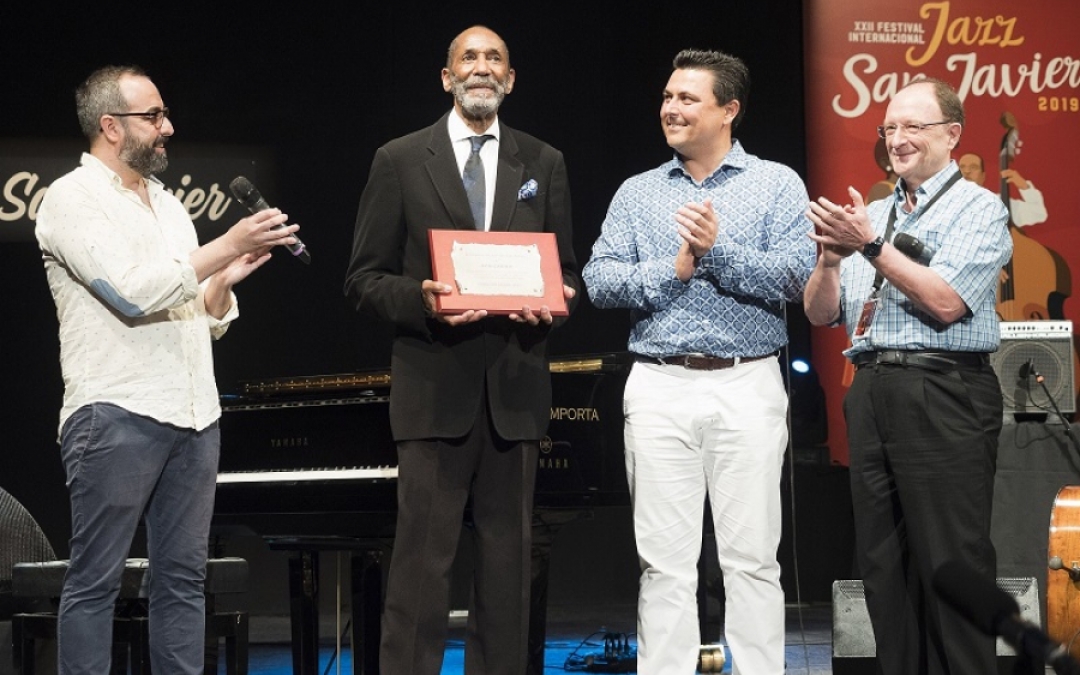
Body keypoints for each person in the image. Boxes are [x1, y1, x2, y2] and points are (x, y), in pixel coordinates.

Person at [34, 65, 300, 675]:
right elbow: (129, 294)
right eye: (153, 116)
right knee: (95, 580)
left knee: (182, 579)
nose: (167, 127)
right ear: (110, 126)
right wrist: (225, 246)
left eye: (165, 114)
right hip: (116, 412)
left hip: (195, 415)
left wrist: (222, 283)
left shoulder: (170, 205)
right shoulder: (71, 199)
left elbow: (192, 309)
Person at [343, 25, 578, 675]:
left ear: (510, 78)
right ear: (447, 78)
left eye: (494, 58)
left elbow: (567, 273)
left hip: (515, 393)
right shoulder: (399, 159)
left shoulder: (543, 162)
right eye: (468, 58)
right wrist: (422, 299)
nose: (482, 67)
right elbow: (363, 279)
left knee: (507, 571)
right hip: (432, 392)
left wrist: (556, 300)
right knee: (420, 567)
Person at [582, 49, 814, 674]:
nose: (670, 108)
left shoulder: (776, 184)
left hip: (747, 379)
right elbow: (599, 280)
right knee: (663, 564)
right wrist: (674, 268)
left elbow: (797, 276)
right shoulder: (639, 192)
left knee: (752, 561)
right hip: (659, 384)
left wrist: (718, 252)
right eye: (667, 97)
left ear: (728, 110)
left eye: (687, 98)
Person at [803, 78, 1012, 675]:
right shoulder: (870, 215)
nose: (897, 139)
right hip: (872, 388)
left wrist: (870, 246)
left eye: (913, 126)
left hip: (942, 389)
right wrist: (829, 260)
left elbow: (946, 302)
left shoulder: (978, 207)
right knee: (883, 565)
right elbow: (821, 314)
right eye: (889, 128)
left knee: (953, 560)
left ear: (952, 134)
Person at [958, 151, 1048, 227]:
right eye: (962, 167)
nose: (967, 171)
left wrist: (1025, 187)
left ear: (983, 176)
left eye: (973, 167)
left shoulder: (999, 204)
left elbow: (1039, 214)